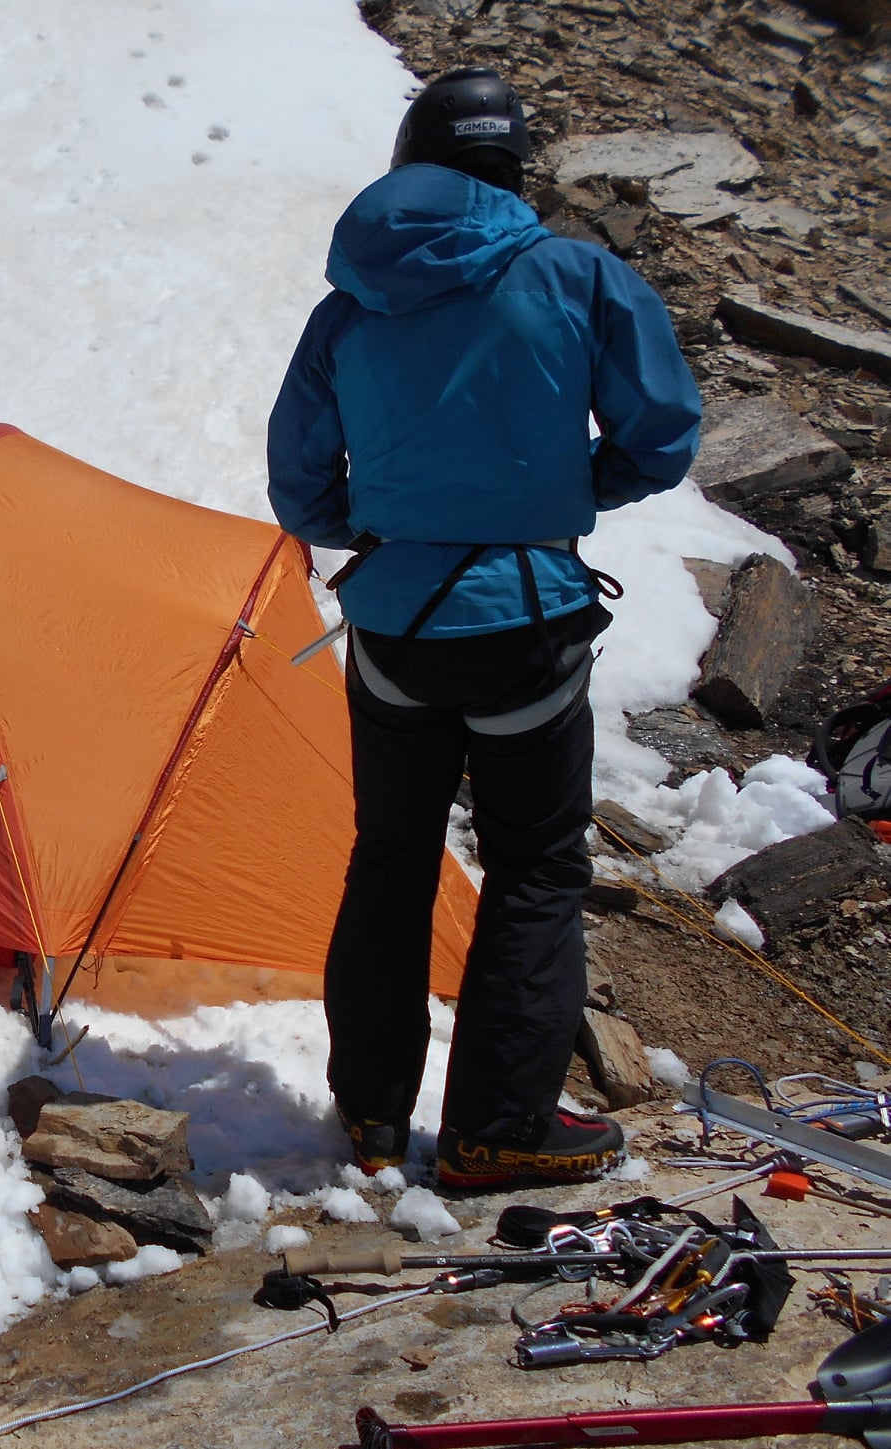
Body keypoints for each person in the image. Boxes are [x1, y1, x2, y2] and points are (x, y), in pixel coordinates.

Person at [266, 67, 701, 1190]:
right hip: (528, 620)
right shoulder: (578, 276)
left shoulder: (351, 301)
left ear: (412, 159)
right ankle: (500, 1127)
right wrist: (561, 496)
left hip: (396, 629)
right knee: (536, 870)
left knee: (391, 859)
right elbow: (663, 435)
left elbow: (301, 482)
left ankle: (369, 1115)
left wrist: (384, 531)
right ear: (513, 165)